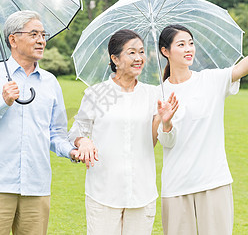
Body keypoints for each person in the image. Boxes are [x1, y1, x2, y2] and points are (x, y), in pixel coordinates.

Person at [157, 24, 248, 235]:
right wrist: (166, 122)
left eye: (191, 43)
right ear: (165, 51)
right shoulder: (159, 93)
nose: (188, 49)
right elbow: (166, 142)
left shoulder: (210, 80)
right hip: (176, 187)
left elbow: (239, 69)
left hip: (213, 182)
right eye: (181, 44)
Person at [0, 10, 85, 235]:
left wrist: (71, 151)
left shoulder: (50, 82)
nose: (41, 40)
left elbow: (55, 133)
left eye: (43, 35)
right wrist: (2, 101)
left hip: (36, 186)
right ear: (13, 39)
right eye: (34, 34)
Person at [68, 29, 179, 235]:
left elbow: (156, 141)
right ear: (115, 59)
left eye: (142, 52)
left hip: (141, 192)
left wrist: (164, 122)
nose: (139, 58)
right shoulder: (96, 94)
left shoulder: (152, 94)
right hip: (103, 192)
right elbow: (77, 130)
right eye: (132, 53)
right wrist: (83, 141)